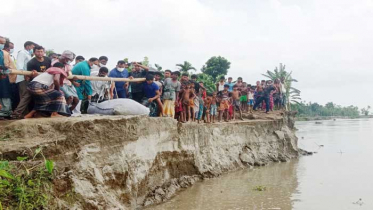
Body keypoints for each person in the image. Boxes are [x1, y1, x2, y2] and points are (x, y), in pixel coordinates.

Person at [12, 41, 36, 119]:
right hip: (23, 78)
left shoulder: (29, 54)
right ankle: (17, 113)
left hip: (27, 77)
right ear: (28, 46)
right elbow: (20, 65)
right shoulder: (22, 53)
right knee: (26, 96)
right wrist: (24, 74)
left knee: (24, 97)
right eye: (33, 47)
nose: (33, 49)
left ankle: (22, 114)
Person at [0, 36, 12, 119]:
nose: (2, 45)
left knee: (4, 92)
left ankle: (5, 111)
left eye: (3, 43)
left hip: (2, 75)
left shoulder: (1, 52)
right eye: (1, 43)